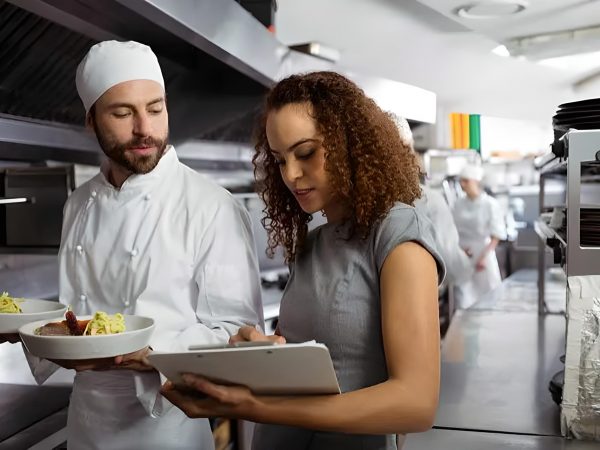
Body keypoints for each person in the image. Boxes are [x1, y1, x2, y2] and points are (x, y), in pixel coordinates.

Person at [161, 71, 445, 450]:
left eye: (306, 153)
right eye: (279, 160)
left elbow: (416, 404)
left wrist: (259, 406)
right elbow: (322, 363)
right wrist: (258, 357)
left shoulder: (395, 232)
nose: (291, 175)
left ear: (349, 143)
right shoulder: (312, 244)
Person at [25, 40, 264, 450]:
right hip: (86, 424)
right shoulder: (79, 203)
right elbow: (74, 318)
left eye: (155, 108)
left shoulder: (210, 205)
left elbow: (238, 334)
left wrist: (154, 352)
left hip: (168, 430)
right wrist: (33, 334)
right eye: (122, 112)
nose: (144, 128)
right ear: (91, 119)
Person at [395, 116, 472, 286]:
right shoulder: (429, 200)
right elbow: (449, 257)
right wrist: (466, 265)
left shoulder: (360, 203)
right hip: (418, 293)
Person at [452, 164, 507, 309]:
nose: (462, 185)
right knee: (463, 300)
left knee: (487, 299)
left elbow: (497, 234)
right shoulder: (458, 204)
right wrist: (459, 250)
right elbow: (452, 230)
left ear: (476, 181)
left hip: (483, 254)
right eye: (461, 181)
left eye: (466, 181)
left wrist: (484, 257)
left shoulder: (490, 204)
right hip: (463, 254)